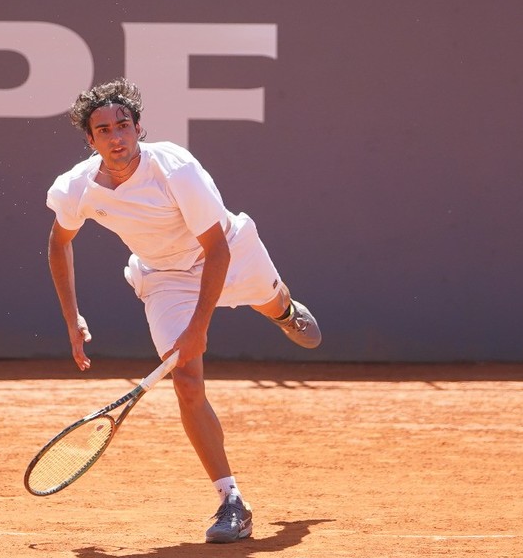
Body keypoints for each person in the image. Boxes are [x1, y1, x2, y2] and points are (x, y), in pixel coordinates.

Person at [45, 77, 321, 544]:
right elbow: (59, 242)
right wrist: (72, 318)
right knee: (188, 381)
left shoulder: (175, 168)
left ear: (137, 129)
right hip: (165, 277)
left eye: (124, 125)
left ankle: (282, 309)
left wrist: (199, 326)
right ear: (90, 140)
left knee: (271, 303)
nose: (116, 137)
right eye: (104, 130)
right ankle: (232, 500)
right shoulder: (77, 188)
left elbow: (216, 249)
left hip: (225, 252)